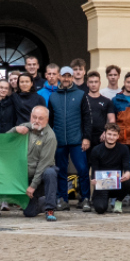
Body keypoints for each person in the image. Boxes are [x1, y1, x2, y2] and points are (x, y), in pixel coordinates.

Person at [47, 66, 88, 211]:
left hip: (77, 140)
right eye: (64, 76)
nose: (66, 79)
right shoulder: (53, 96)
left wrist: (86, 138)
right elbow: (50, 120)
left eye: (69, 76)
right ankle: (62, 199)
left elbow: (86, 118)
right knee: (60, 170)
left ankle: (85, 199)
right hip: (59, 141)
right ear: (59, 77)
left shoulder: (81, 94)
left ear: (72, 78)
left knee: (82, 169)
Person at [12, 106, 59, 221]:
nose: (36, 121)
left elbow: (43, 165)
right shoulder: (25, 128)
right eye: (34, 117)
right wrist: (15, 130)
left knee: (50, 172)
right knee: (29, 213)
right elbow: (6, 141)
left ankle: (50, 208)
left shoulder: (50, 137)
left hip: (41, 178)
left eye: (40, 118)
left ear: (47, 120)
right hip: (25, 176)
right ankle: (42, 201)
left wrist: (33, 186)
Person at [88, 124, 130, 214]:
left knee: (129, 180)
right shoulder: (96, 150)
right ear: (104, 134)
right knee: (100, 209)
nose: (111, 137)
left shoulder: (124, 149)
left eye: (114, 135)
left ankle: (118, 201)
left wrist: (127, 173)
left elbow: (126, 166)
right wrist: (93, 179)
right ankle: (104, 201)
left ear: (118, 136)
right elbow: (94, 170)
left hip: (117, 184)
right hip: (102, 185)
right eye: (109, 134)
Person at [80, 71, 116, 157]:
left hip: (101, 137)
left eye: (96, 82)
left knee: (100, 166)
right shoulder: (82, 99)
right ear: (87, 84)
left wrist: (106, 132)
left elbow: (112, 119)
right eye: (91, 82)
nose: (93, 84)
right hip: (85, 137)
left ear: (100, 83)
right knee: (85, 165)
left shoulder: (107, 101)